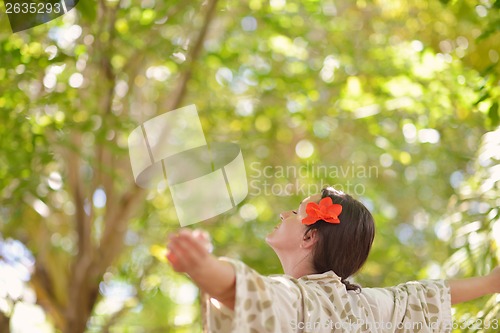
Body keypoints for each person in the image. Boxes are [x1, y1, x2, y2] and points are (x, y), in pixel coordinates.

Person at [166, 187, 500, 332]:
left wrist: (201, 265)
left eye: (297, 211)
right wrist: (490, 283)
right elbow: (425, 297)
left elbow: (241, 292)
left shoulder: (297, 298)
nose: (285, 213)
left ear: (309, 237)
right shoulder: (369, 305)